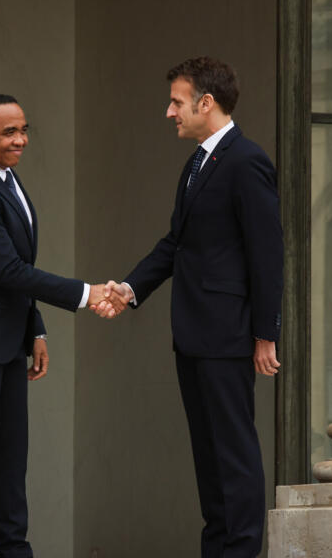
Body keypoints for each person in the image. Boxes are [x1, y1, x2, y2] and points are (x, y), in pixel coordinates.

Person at [0, 94, 120, 558]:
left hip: (7, 337)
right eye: (9, 132)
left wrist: (36, 329)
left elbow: (13, 268)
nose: (21, 140)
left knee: (10, 457)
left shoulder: (3, 175)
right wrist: (87, 294)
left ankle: (14, 550)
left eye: (24, 129)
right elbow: (8, 270)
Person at [99, 57, 284, 558]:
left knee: (233, 454)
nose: (169, 112)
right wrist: (130, 289)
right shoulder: (198, 162)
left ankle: (240, 550)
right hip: (194, 332)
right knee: (208, 457)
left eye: (176, 102)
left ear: (206, 103)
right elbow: (176, 244)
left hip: (227, 333)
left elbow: (267, 254)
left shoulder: (247, 161)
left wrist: (265, 334)